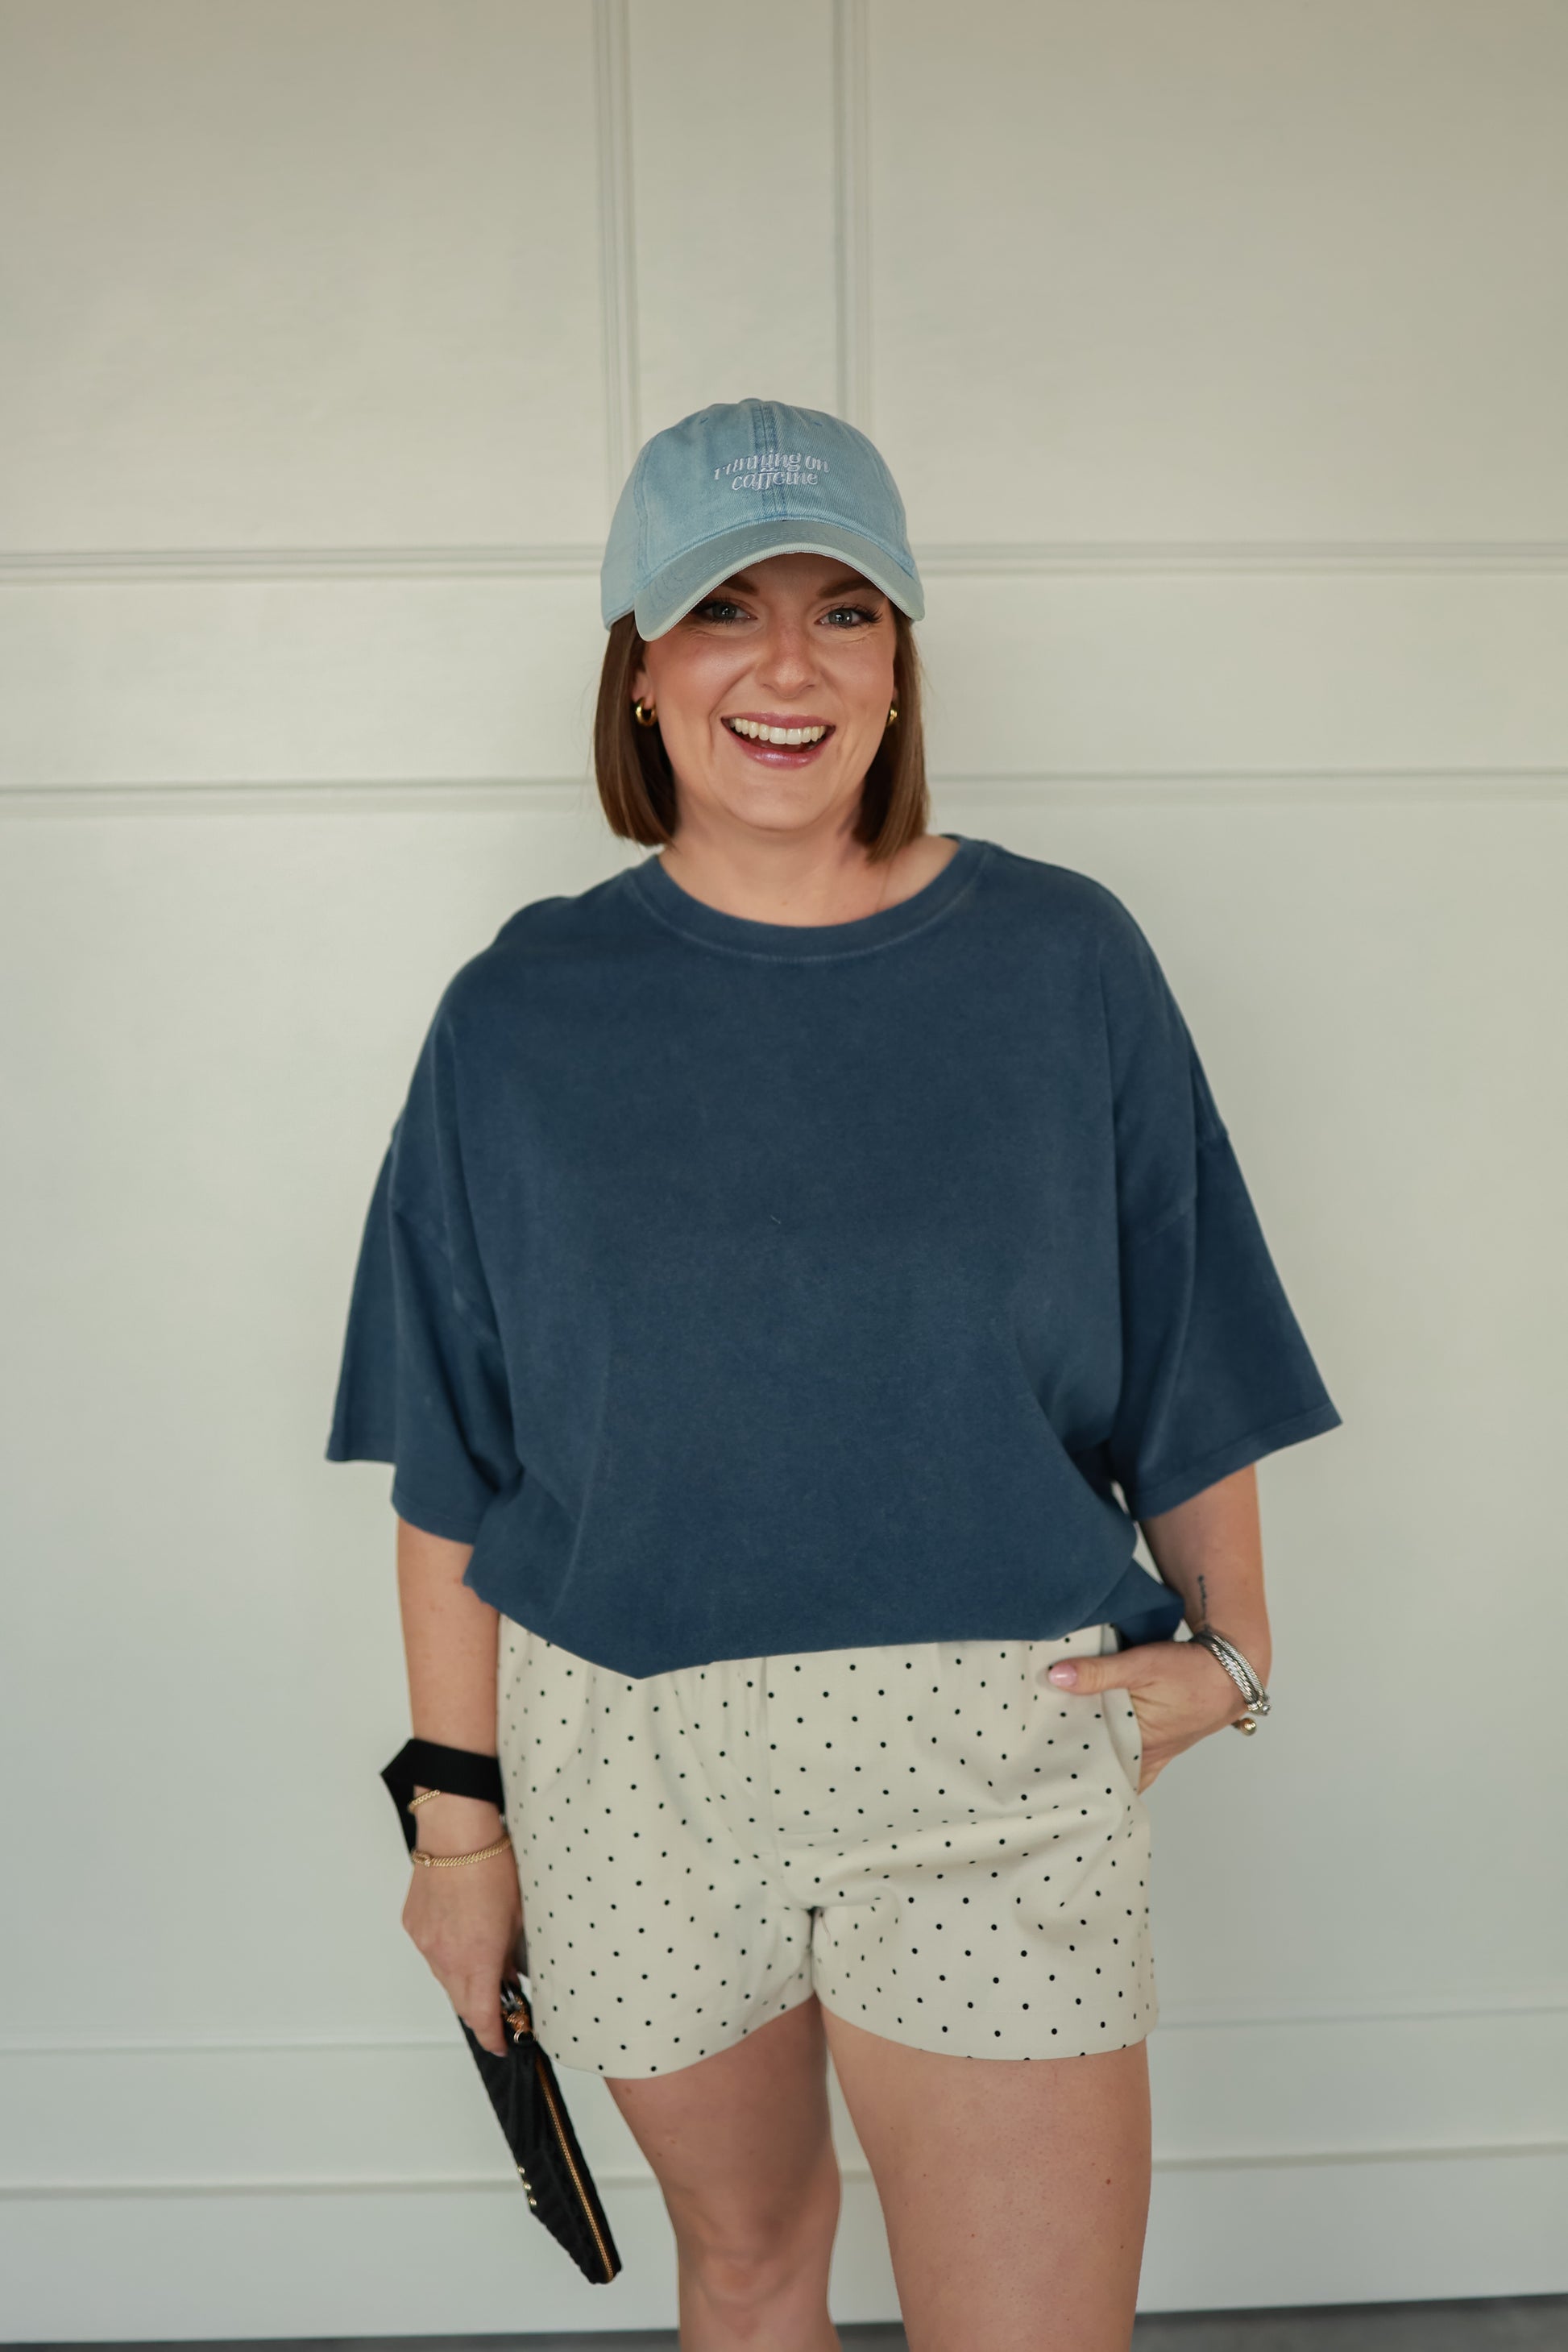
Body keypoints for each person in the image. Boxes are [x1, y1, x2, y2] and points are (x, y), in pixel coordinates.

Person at [326, 397, 1341, 2352]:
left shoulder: (1063, 960)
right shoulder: (518, 1015)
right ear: (638, 664)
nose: (787, 664)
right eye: (724, 607)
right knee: (746, 2265)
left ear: (897, 664)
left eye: (844, 609)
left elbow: (1187, 1329)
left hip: (993, 1745)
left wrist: (1233, 1649)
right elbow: (453, 1459)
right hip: (629, 1762)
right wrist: (459, 1833)